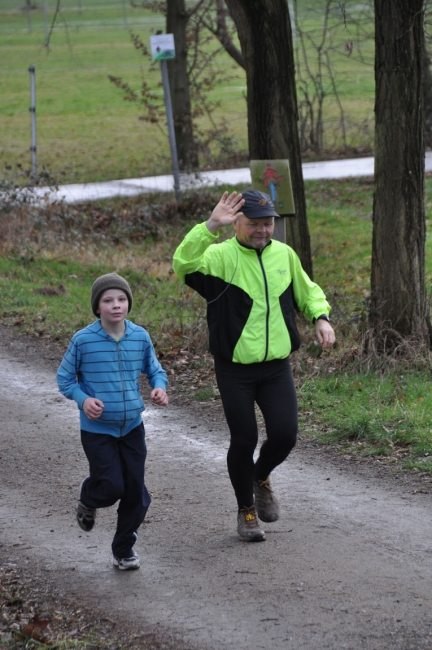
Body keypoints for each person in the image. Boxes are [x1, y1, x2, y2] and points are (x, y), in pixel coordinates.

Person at [173, 189, 335, 542]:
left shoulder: (284, 255)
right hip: (235, 368)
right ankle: (246, 511)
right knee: (244, 438)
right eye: (254, 224)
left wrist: (320, 318)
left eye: (268, 223)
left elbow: (307, 291)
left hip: (276, 366)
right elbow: (183, 264)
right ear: (237, 224)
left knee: (284, 435)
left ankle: (260, 477)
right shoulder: (219, 257)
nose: (263, 230)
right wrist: (209, 226)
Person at [56, 272, 168, 570]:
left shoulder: (139, 337)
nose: (116, 305)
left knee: (136, 493)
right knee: (111, 487)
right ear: (97, 307)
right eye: (108, 300)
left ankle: (123, 550)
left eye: (121, 299)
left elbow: (156, 370)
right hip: (97, 430)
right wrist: (83, 400)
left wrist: (159, 387)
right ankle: (89, 496)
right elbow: (65, 379)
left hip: (132, 426)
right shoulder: (83, 341)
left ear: (128, 303)